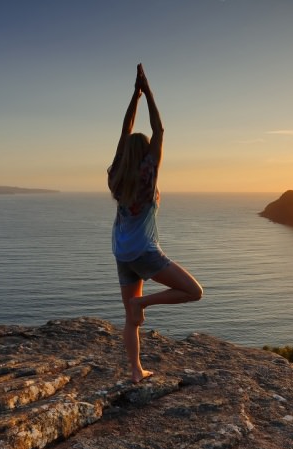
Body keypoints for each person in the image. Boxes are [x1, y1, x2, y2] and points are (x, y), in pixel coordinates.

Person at [108, 64, 203, 383]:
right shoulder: (147, 178)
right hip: (145, 253)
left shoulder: (116, 178)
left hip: (122, 253)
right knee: (193, 291)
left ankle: (136, 371)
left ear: (124, 155)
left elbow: (124, 132)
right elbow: (159, 130)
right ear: (146, 153)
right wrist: (147, 91)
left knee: (131, 318)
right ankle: (143, 301)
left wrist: (133, 97)